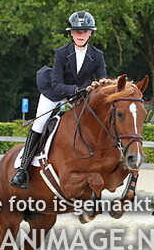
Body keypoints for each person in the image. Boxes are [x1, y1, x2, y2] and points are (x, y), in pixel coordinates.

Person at [10, 10, 108, 189]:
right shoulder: (62, 53)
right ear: (71, 33)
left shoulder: (97, 55)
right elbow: (56, 84)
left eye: (84, 31)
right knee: (39, 123)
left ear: (91, 33)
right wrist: (77, 89)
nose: (80, 34)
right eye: (77, 31)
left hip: (78, 95)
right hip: (54, 93)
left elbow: (103, 79)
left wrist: (100, 86)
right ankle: (23, 169)